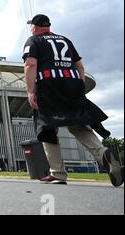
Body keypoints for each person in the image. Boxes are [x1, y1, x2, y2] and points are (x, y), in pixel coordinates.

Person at [22, 14, 123, 186]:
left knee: (46, 126)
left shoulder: (33, 41)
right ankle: (102, 153)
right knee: (78, 123)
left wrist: (31, 91)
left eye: (32, 25)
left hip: (49, 84)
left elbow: (30, 64)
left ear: (35, 27)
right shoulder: (66, 40)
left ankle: (58, 173)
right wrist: (79, 87)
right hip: (73, 83)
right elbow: (80, 66)